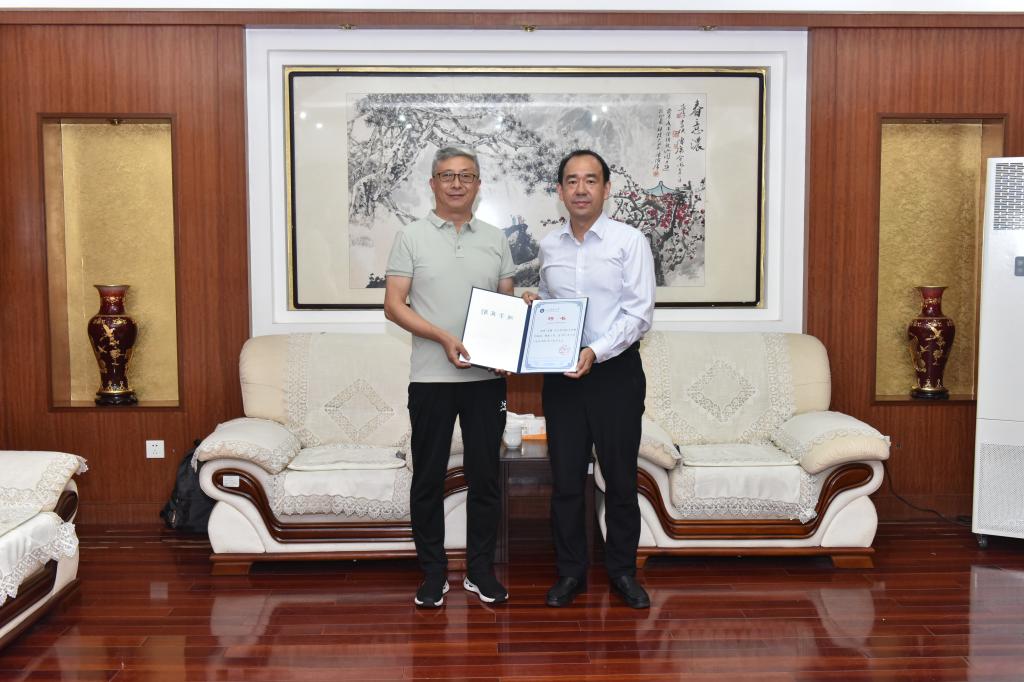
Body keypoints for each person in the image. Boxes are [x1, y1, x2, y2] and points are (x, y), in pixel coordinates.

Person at [523, 149, 656, 609]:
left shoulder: (629, 242)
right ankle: (570, 573)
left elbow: (638, 315)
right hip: (563, 379)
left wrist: (594, 351)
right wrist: (536, 306)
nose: (581, 189)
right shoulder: (549, 246)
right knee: (565, 482)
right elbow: (555, 303)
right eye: (572, 181)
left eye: (591, 180)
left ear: (606, 188)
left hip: (615, 374)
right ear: (560, 191)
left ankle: (622, 572)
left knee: (619, 479)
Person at [384, 147, 515, 608]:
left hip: (486, 383)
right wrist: (442, 337)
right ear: (433, 183)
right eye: (447, 175)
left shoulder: (496, 239)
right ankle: (433, 573)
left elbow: (505, 303)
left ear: (478, 184)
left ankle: (480, 571)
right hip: (430, 381)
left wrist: (511, 340)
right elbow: (394, 305)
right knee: (428, 479)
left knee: (486, 479)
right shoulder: (411, 236)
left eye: (466, 176)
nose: (457, 184)